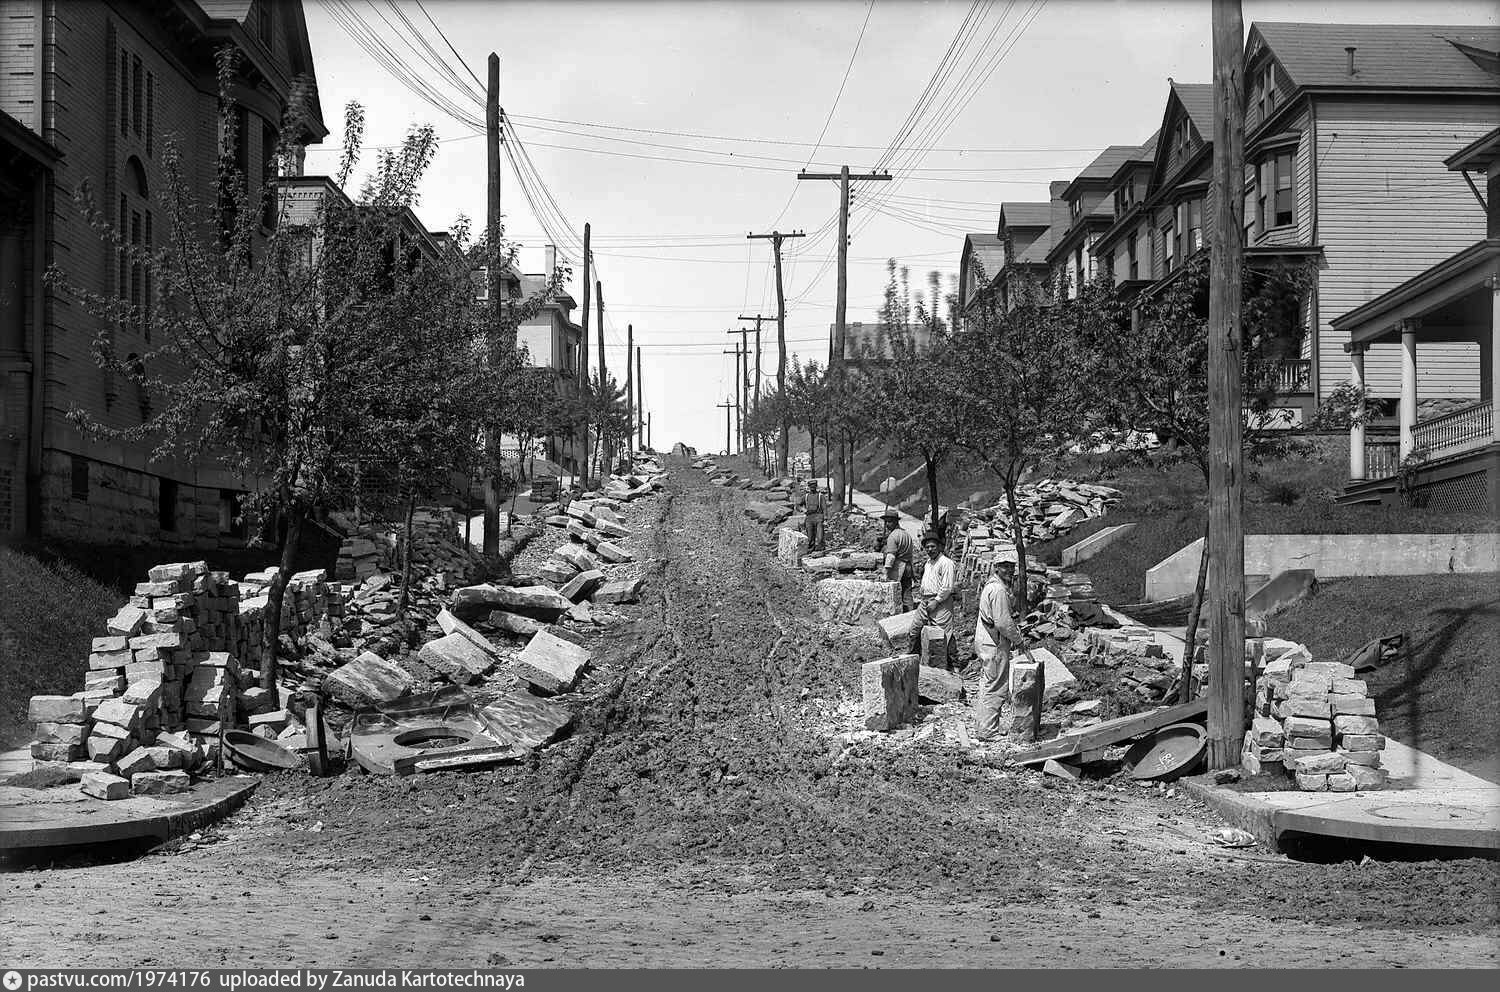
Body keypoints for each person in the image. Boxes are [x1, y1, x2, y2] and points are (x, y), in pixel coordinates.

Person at [973, 551, 1037, 741]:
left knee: (987, 683)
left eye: (1011, 566)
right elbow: (1003, 623)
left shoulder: (994, 586)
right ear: (996, 568)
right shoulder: (998, 590)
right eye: (1005, 566)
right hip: (994, 643)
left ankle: (984, 726)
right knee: (996, 686)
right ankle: (988, 731)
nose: (1009, 570)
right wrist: (1019, 641)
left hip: (986, 640)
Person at [908, 529, 959, 671]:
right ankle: (913, 660)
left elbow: (947, 587)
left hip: (941, 601)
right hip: (926, 601)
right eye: (927, 547)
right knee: (914, 628)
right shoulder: (928, 563)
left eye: (932, 546)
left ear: (939, 547)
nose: (930, 549)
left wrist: (936, 601)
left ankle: (954, 666)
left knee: (944, 633)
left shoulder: (946, 563)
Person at [880, 508, 914, 613]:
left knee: (896, 593)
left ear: (895, 521)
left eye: (889, 521)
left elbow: (891, 556)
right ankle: (910, 613)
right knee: (907, 592)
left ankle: (899, 614)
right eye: (886, 522)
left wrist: (886, 572)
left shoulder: (893, 536)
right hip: (908, 566)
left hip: (899, 568)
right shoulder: (906, 534)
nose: (887, 524)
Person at [802, 479, 826, 552]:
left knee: (820, 536)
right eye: (811, 486)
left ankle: (820, 549)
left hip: (818, 516)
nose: (812, 487)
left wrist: (825, 518)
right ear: (809, 487)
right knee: (810, 536)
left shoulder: (820, 496)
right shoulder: (806, 496)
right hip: (809, 517)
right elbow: (798, 505)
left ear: (816, 486)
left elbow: (824, 508)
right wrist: (803, 510)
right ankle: (811, 549)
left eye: (814, 486)